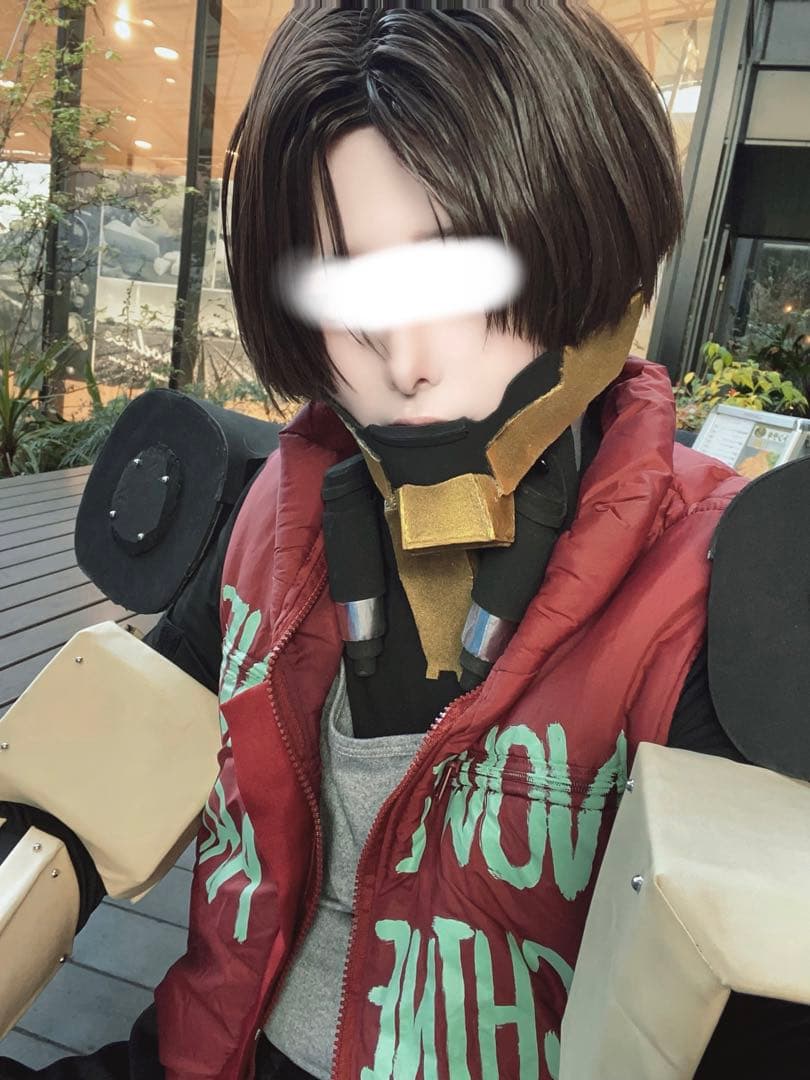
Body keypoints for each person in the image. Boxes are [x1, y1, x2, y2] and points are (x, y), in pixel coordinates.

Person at [1, 3, 808, 1078]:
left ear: (582, 244)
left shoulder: (721, 602)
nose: (407, 358)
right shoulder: (274, 520)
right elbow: (66, 812)